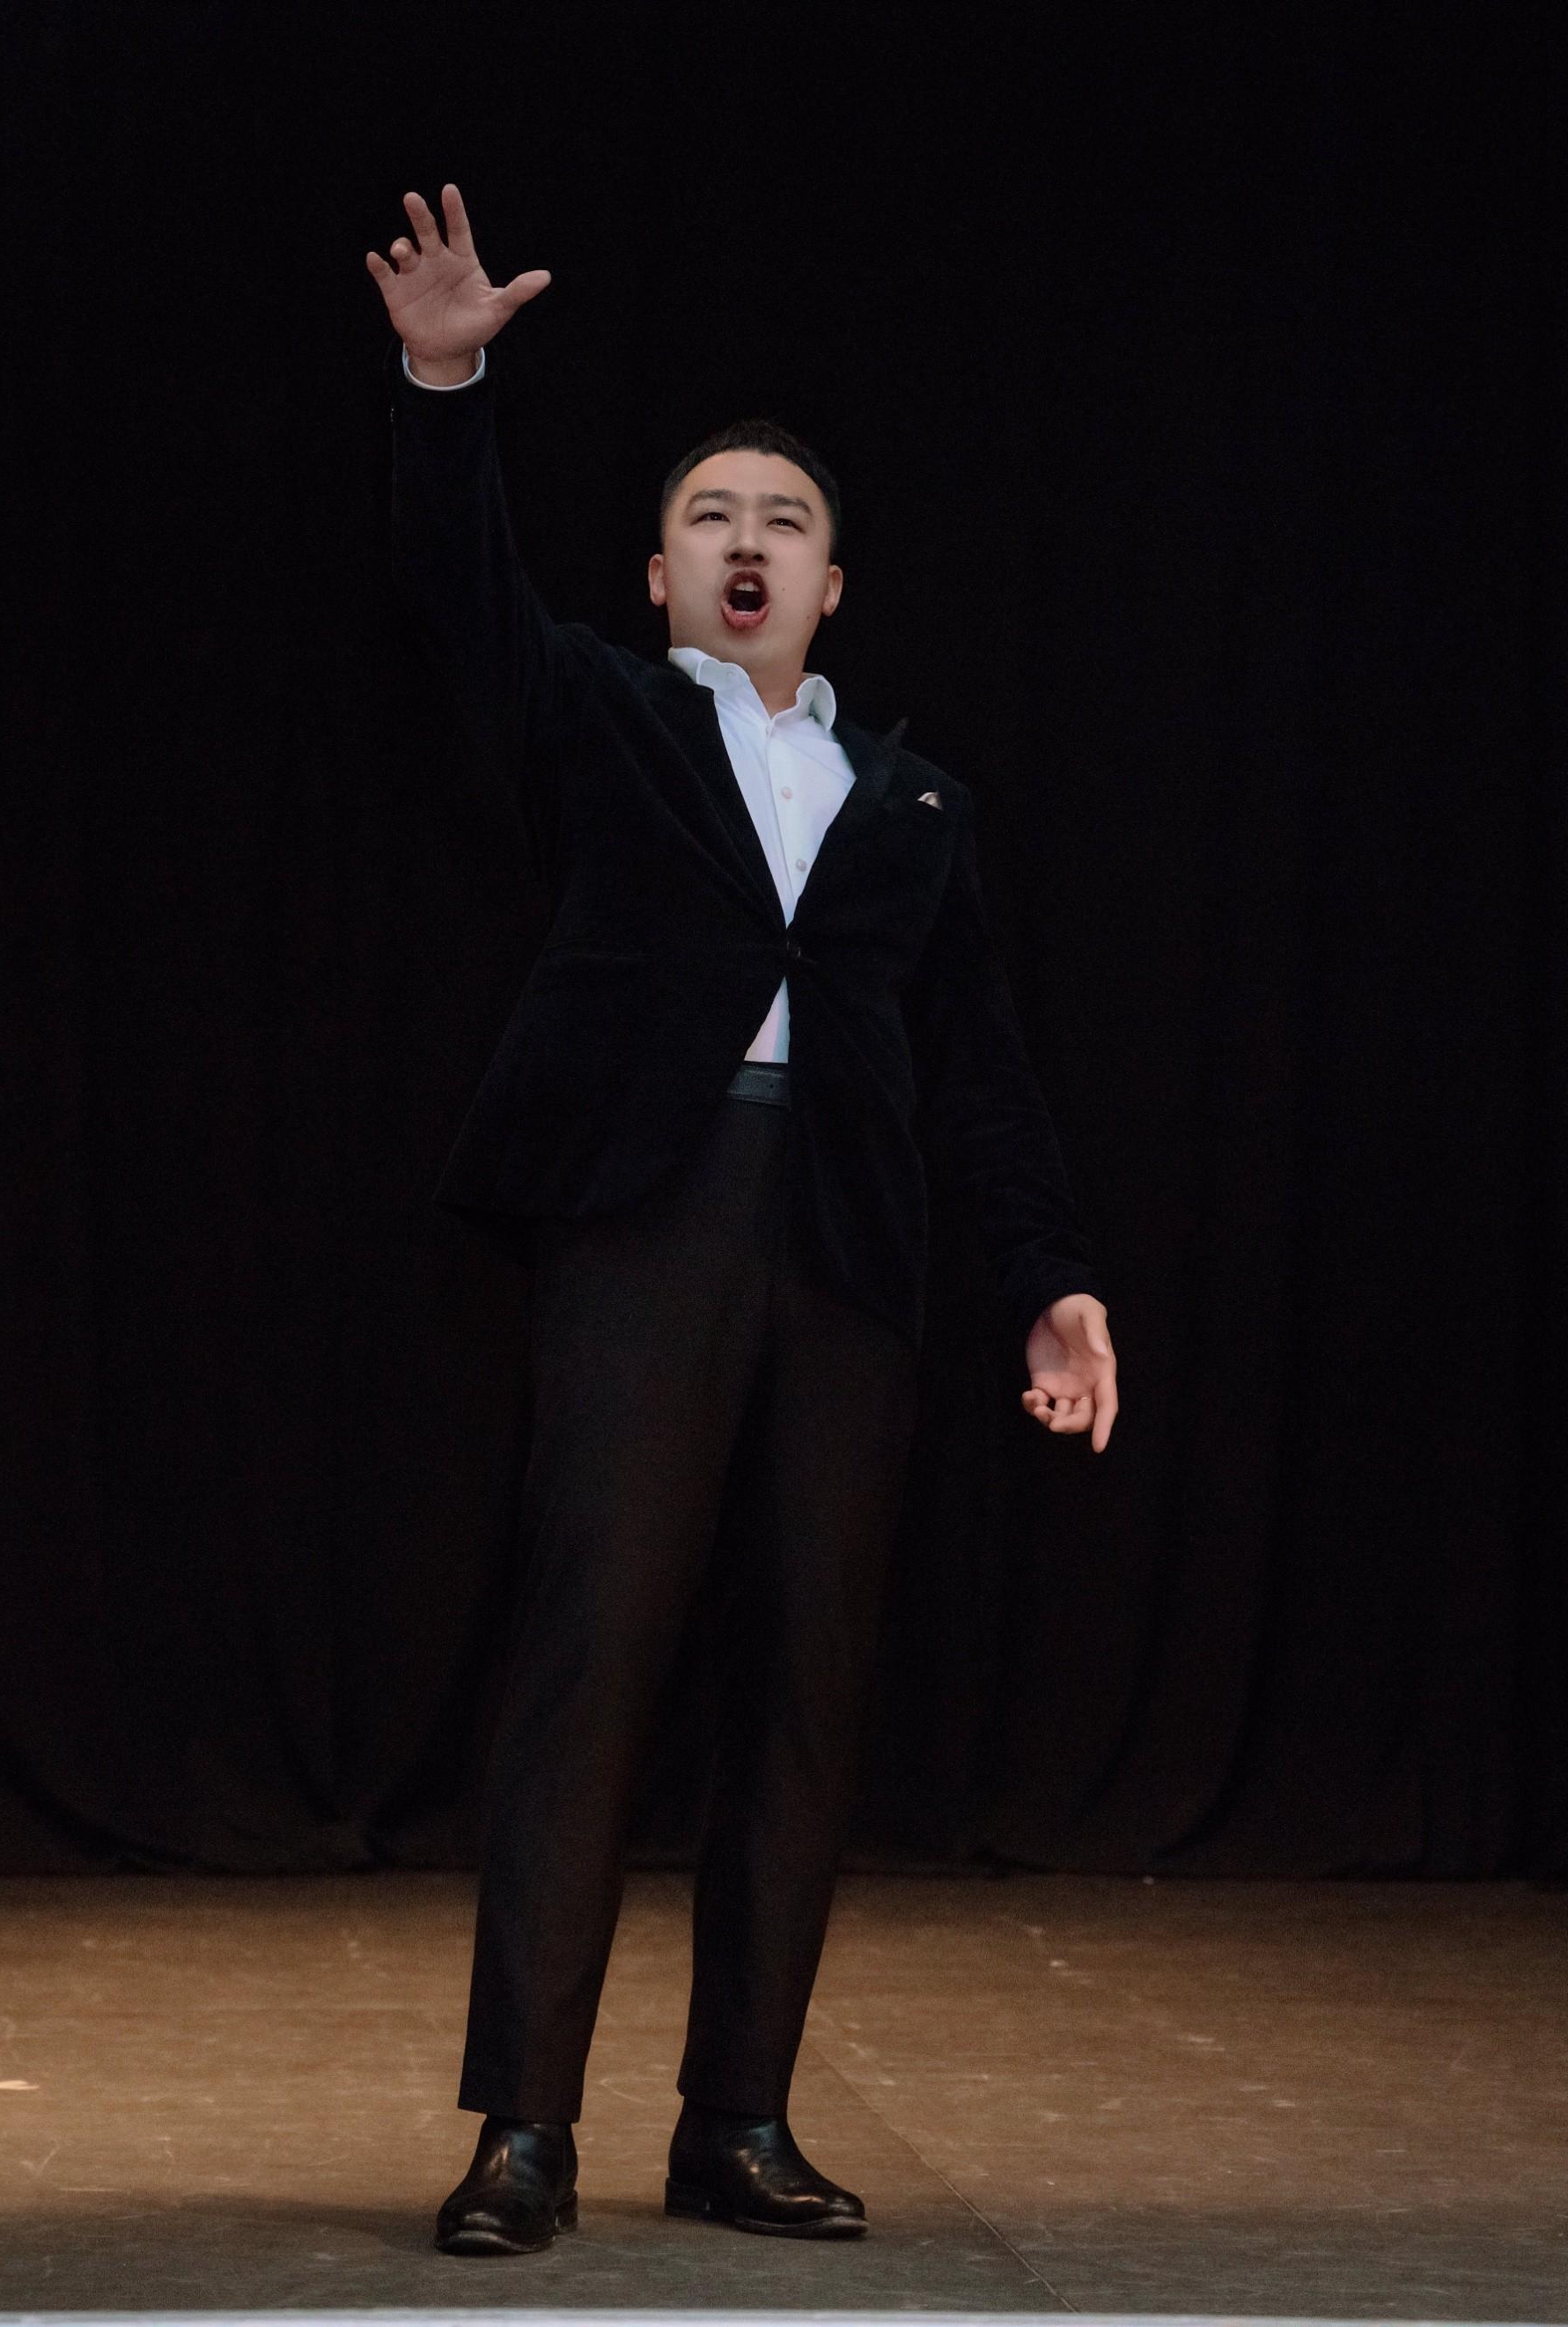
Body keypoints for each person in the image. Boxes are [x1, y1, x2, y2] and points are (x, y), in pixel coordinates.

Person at [365, 185, 1119, 2257]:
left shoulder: (914, 803)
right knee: (594, 1654)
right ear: (662, 572)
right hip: (653, 1218)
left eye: (780, 518)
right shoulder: (606, 712)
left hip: (848, 1252)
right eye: (708, 515)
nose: (744, 539)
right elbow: (458, 604)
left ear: (829, 581)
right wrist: (443, 385)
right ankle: (526, 2125)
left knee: (805, 1681)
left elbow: (979, 1069)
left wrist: (1049, 1278)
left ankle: (740, 2118)